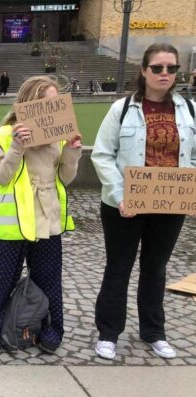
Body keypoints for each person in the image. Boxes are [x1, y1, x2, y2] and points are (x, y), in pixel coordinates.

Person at [91, 43, 196, 360]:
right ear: (144, 70)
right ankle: (108, 333)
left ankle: (154, 331)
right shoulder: (122, 108)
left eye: (171, 68)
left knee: (156, 268)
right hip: (125, 204)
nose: (165, 74)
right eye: (158, 68)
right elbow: (102, 155)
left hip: (169, 203)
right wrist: (121, 195)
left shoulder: (189, 110)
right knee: (118, 268)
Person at [0, 75, 82, 355]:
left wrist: (72, 152)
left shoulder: (58, 137)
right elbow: (1, 177)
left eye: (55, 102)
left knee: (49, 278)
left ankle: (51, 330)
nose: (52, 108)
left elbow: (65, 178)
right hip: (14, 223)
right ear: (29, 103)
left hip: (47, 220)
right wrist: (17, 147)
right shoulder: (3, 135)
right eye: (45, 102)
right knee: (3, 280)